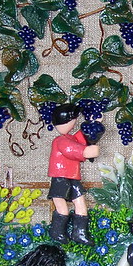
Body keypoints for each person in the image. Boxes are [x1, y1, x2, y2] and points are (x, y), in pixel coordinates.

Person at [47, 103, 101, 245]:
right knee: (62, 206)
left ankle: (79, 233)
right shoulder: (60, 140)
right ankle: (57, 232)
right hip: (60, 178)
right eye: (73, 120)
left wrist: (94, 124)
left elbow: (80, 137)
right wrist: (86, 152)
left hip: (73, 177)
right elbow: (71, 150)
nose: (74, 122)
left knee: (80, 202)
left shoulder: (70, 138)